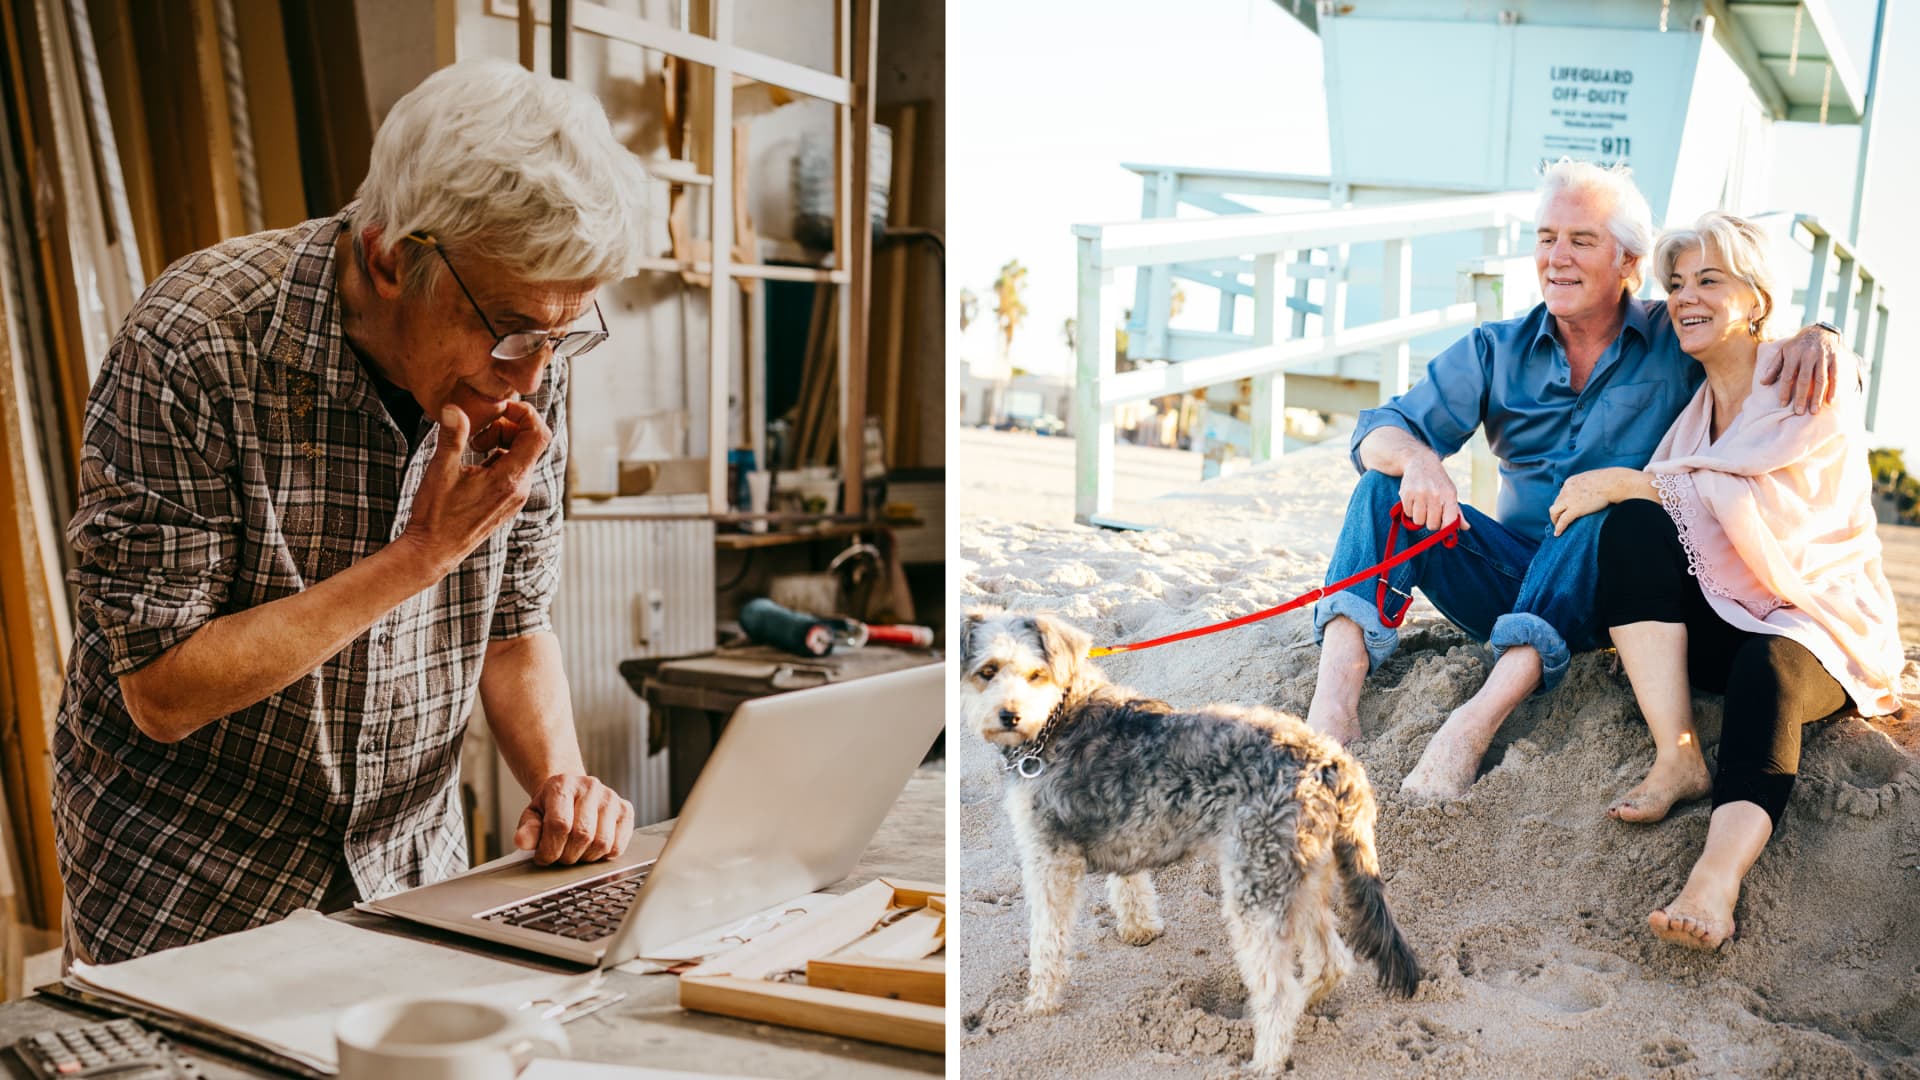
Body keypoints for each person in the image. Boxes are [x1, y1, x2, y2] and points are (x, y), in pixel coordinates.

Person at [55, 59, 650, 963]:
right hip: (191, 892)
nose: (530, 376)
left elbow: (513, 626)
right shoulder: (196, 343)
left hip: (410, 873)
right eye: (510, 329)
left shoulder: (527, 358)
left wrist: (562, 785)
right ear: (387, 258)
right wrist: (420, 555)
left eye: (560, 339)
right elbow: (163, 692)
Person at [1304, 159, 1847, 801]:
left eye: (1581, 240)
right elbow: (1380, 427)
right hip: (1510, 584)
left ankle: (1473, 723)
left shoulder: (1677, 337)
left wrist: (1823, 332)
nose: (1556, 258)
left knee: (1601, 505)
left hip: (1617, 594)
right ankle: (1333, 703)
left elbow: (1748, 334)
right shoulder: (1496, 349)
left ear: (1629, 263)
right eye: (1545, 238)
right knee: (1381, 487)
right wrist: (1420, 459)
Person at [1549, 211, 1901, 949]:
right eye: (1676, 283)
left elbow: (1747, 498)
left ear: (1759, 300)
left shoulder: (1811, 378)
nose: (1685, 297)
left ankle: (1716, 877)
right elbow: (1683, 500)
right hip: (1726, 610)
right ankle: (1677, 755)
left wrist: (1629, 479)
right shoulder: (1693, 415)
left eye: (1710, 279)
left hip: (1814, 624)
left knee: (1765, 663)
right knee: (1636, 526)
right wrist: (1637, 491)